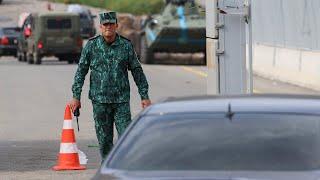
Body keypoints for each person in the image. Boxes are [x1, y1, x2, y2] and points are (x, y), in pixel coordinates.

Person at [70, 11, 151, 161]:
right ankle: (107, 168)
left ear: (116, 26)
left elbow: (137, 71)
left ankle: (123, 166)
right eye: (105, 24)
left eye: (111, 24)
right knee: (105, 140)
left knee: (126, 137)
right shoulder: (91, 46)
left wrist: (144, 96)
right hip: (100, 101)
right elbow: (81, 71)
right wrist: (76, 96)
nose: (108, 27)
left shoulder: (125, 46)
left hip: (121, 101)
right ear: (100, 26)